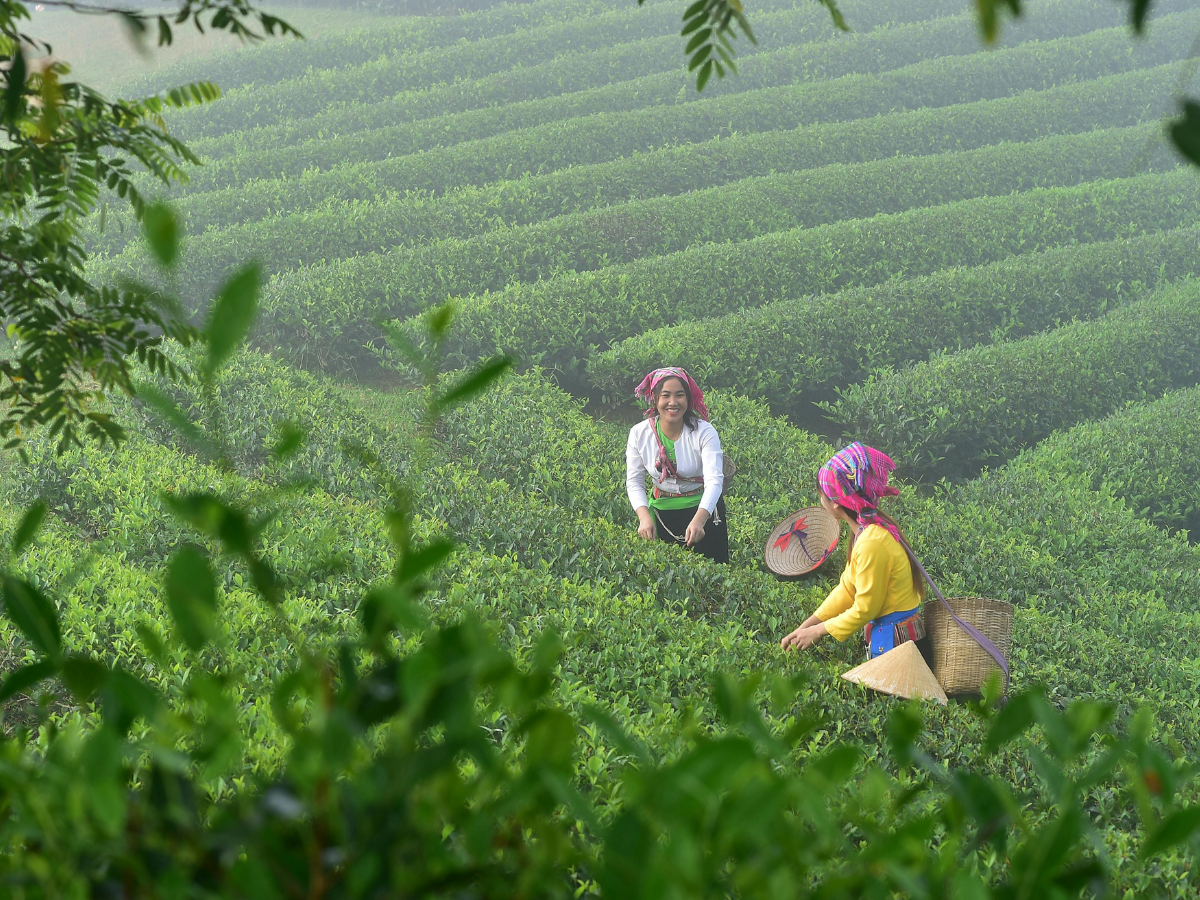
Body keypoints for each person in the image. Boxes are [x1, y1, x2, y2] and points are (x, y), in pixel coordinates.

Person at [781, 443, 925, 657]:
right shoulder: (866, 530)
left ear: (837, 503)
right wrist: (805, 627)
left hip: (898, 645)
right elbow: (848, 588)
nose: (821, 501)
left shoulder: (872, 542)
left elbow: (867, 608)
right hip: (890, 636)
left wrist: (819, 631)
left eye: (823, 495)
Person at [625, 367, 728, 564]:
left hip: (703, 510)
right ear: (655, 399)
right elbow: (634, 482)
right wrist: (644, 517)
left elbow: (714, 481)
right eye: (666, 395)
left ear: (688, 399)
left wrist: (699, 520)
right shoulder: (639, 434)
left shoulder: (704, 432)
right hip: (662, 512)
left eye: (679, 395)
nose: (673, 402)